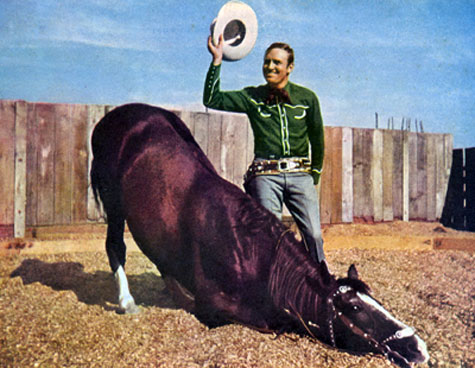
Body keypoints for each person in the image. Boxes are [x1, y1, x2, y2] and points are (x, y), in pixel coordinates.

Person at [203, 35, 325, 264]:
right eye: (267, 61)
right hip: (266, 176)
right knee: (270, 237)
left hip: (301, 176)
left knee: (314, 235)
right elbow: (211, 99)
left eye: (277, 62)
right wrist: (217, 60)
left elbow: (317, 138)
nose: (270, 66)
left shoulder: (307, 98)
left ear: (290, 68)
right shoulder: (252, 97)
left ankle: (323, 284)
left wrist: (314, 173)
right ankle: (272, 291)